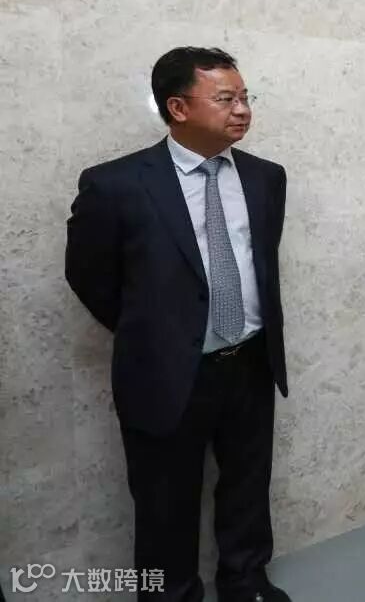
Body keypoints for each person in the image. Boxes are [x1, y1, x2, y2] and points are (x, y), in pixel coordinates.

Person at [66, 47, 291, 602]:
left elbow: (261, 262)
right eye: (226, 99)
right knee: (164, 503)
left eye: (245, 97)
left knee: (247, 486)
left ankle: (245, 581)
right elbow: (90, 277)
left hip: (250, 362)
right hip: (165, 372)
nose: (242, 109)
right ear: (178, 107)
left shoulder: (265, 178)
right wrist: (157, 332)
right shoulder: (116, 185)